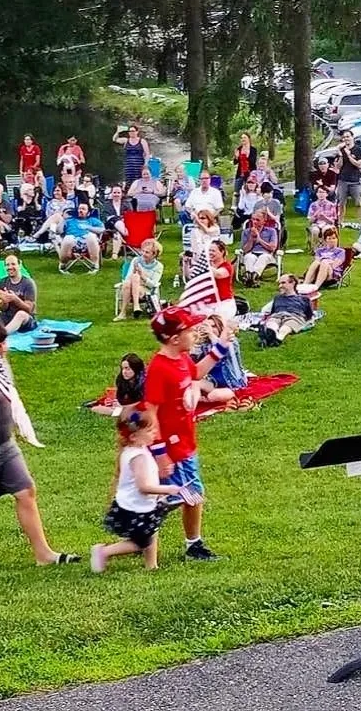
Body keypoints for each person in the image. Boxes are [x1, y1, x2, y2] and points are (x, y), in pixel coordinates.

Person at [0, 313, 80, 565]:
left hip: (5, 448)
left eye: (1, 345)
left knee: (25, 491)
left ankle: (43, 554)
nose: (1, 351)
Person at [144, 305, 235, 561]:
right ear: (174, 339)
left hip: (186, 441)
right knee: (187, 494)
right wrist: (160, 453)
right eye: (190, 329)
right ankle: (187, 544)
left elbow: (195, 373)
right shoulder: (159, 369)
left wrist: (222, 347)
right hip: (171, 447)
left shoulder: (182, 358)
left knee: (186, 495)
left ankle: (149, 534)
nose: (196, 332)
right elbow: (150, 413)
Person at [90, 405, 184, 573]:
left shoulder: (134, 449)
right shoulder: (138, 457)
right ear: (134, 436)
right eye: (150, 430)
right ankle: (103, 551)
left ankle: (151, 565)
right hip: (136, 506)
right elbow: (143, 487)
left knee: (152, 530)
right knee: (140, 542)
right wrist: (167, 489)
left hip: (139, 503)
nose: (155, 433)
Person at [257, 274, 314, 348]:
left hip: (294, 315)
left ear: (292, 283)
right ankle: (270, 333)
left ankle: (278, 338)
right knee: (273, 321)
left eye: (283, 283)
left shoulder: (303, 299)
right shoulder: (277, 298)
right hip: (278, 314)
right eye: (279, 284)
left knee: (288, 325)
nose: (280, 286)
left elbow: (309, 315)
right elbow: (273, 312)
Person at [115, 238, 164, 321]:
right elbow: (127, 278)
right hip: (130, 287)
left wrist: (143, 277)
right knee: (132, 279)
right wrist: (135, 274)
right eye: (143, 251)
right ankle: (136, 307)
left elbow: (153, 285)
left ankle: (123, 313)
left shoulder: (159, 266)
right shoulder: (136, 260)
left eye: (147, 252)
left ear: (154, 254)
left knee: (136, 277)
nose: (143, 254)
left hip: (146, 290)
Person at [0, 255, 37, 334]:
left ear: (19, 265)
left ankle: (3, 334)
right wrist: (4, 301)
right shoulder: (2, 283)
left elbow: (29, 309)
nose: (10, 267)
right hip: (7, 317)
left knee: (20, 314)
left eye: (13, 264)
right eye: (7, 265)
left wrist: (15, 299)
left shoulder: (28, 283)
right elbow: (3, 309)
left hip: (25, 319)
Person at [58, 202, 106, 273]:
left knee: (91, 236)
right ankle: (63, 264)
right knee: (68, 238)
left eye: (83, 209)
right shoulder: (69, 220)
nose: (80, 210)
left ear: (88, 213)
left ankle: (94, 266)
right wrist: (63, 219)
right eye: (79, 209)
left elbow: (102, 229)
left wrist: (89, 228)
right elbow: (58, 231)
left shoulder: (92, 220)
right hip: (72, 244)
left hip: (87, 244)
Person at [240, 209, 279, 286]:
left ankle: (253, 277)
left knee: (263, 258)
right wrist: (251, 238)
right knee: (249, 257)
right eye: (253, 219)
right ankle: (250, 278)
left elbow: (272, 248)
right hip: (251, 253)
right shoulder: (246, 232)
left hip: (267, 254)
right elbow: (245, 250)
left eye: (257, 220)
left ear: (264, 221)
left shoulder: (271, 231)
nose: (254, 222)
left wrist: (259, 240)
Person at [336, 129, 361, 222]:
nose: (346, 139)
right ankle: (340, 222)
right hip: (342, 180)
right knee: (341, 203)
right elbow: (338, 166)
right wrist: (341, 155)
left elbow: (359, 165)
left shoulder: (358, 150)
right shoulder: (342, 150)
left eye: (348, 136)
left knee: (358, 203)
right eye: (344, 137)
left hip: (355, 181)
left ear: (352, 137)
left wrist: (349, 156)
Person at [207, 241, 236, 322]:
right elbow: (190, 275)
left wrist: (205, 264)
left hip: (224, 303)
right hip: (208, 303)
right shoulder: (208, 265)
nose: (210, 253)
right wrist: (186, 263)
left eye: (213, 251)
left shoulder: (227, 266)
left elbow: (218, 274)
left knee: (214, 324)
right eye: (209, 250)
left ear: (222, 252)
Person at [101, 185, 130, 259]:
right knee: (114, 218)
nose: (116, 194)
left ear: (121, 194)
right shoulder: (106, 204)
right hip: (110, 224)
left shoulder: (127, 204)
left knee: (117, 233)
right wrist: (118, 218)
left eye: (118, 192)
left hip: (124, 225)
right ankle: (124, 233)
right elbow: (104, 217)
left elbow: (130, 215)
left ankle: (115, 254)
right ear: (111, 194)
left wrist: (122, 219)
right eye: (114, 192)